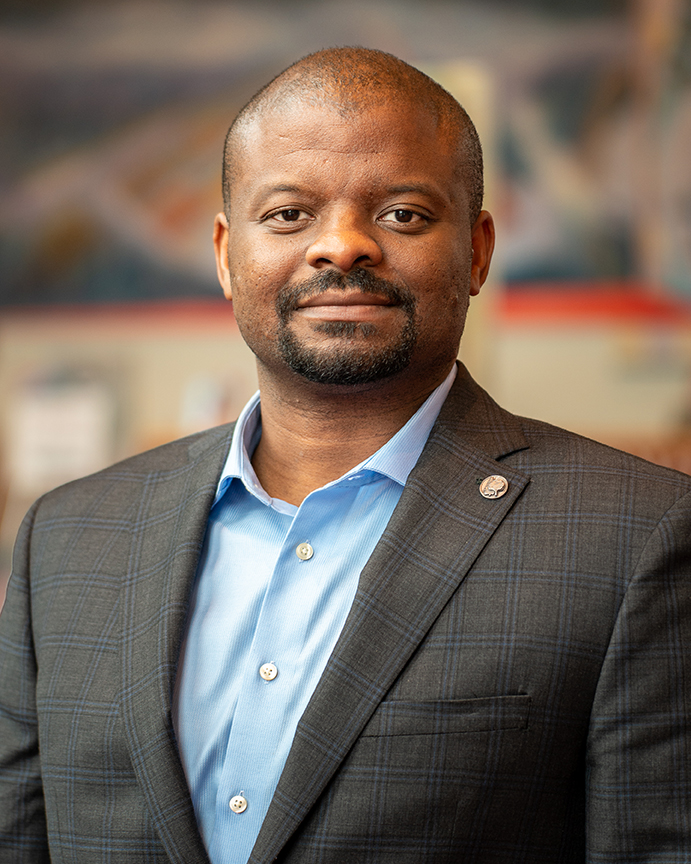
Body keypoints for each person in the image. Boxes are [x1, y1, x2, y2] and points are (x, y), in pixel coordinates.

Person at [0, 47, 690, 864]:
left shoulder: (637, 537)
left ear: (475, 253)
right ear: (226, 255)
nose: (340, 246)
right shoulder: (68, 538)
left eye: (401, 214)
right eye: (288, 214)